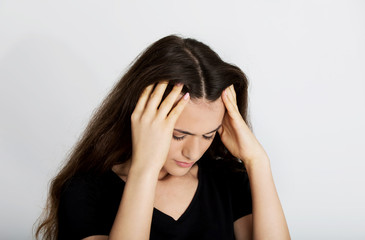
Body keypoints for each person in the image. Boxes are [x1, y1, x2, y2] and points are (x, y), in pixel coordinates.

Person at [34, 35, 290, 240]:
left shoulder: (229, 181)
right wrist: (145, 169)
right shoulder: (85, 192)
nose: (193, 152)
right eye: (179, 135)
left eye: (208, 135)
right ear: (143, 118)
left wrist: (258, 162)